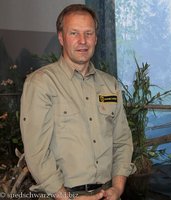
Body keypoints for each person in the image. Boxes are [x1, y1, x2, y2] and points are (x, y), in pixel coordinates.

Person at [20, 4, 135, 200]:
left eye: (88, 33)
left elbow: (122, 141)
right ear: (61, 37)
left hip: (107, 193)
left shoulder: (110, 84)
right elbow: (37, 152)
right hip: (63, 195)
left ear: (96, 38)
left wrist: (117, 188)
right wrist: (67, 197)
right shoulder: (41, 84)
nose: (83, 41)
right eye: (74, 33)